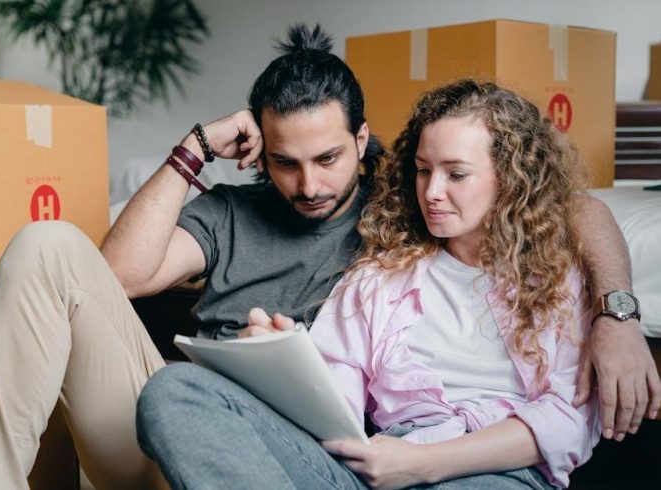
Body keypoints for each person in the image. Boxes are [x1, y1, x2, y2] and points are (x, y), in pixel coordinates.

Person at [0, 23, 656, 489]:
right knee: (49, 244)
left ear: (362, 140)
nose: (311, 185)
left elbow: (572, 206)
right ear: (260, 152)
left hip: (309, 453)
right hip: (201, 429)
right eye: (286, 162)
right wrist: (197, 147)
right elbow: (115, 278)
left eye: (327, 158)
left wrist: (617, 313)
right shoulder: (239, 214)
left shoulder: (403, 207)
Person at [136, 79, 602, 489]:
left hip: (491, 472)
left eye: (456, 174)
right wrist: (282, 365)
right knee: (175, 389)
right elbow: (335, 404)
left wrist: (422, 464)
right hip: (371, 467)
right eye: (423, 170)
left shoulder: (559, 278)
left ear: (513, 179)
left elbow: (569, 421)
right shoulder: (380, 274)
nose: (432, 192)